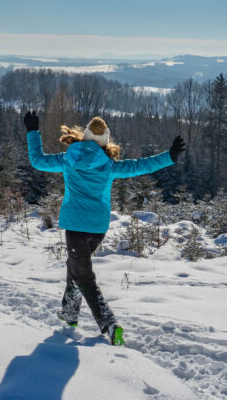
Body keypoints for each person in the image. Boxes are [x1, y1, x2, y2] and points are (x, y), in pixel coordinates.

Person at [24, 111, 186, 346]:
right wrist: (169, 156)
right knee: (76, 267)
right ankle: (69, 313)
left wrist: (32, 132)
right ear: (104, 142)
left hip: (76, 227)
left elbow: (37, 160)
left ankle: (109, 324)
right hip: (98, 228)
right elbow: (139, 166)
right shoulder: (109, 165)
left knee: (83, 276)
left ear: (86, 137)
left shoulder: (68, 158)